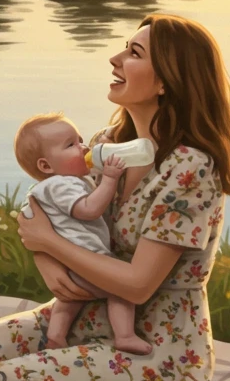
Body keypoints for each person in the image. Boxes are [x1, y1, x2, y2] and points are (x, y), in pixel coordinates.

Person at [0, 15, 230, 381]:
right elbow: (43, 207)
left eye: (134, 54)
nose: (115, 59)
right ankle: (65, 364)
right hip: (89, 311)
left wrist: (51, 244)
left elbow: (138, 285)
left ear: (165, 82)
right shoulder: (104, 146)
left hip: (157, 341)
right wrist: (47, 262)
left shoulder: (189, 168)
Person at [13, 113, 148, 354]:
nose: (84, 147)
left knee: (69, 301)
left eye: (80, 139)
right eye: (71, 145)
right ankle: (125, 335)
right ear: (46, 166)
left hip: (69, 263)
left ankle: (56, 335)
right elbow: (89, 209)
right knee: (120, 291)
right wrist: (109, 179)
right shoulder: (61, 184)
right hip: (87, 258)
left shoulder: (55, 185)